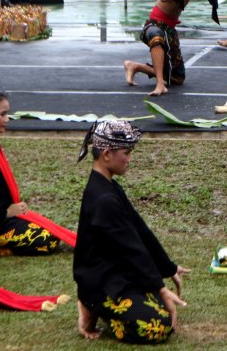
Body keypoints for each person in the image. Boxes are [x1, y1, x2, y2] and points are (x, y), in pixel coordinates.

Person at [74, 120, 189, 344]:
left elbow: (138, 230)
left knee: (158, 308)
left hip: (118, 274)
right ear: (107, 153)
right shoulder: (104, 199)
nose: (130, 159)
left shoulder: (109, 186)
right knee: (157, 327)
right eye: (126, 153)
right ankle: (89, 304)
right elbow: (131, 249)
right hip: (102, 283)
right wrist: (160, 287)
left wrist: (167, 267)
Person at [0, 82, 74, 257]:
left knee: (52, 233)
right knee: (47, 241)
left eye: (7, 114)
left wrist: (13, 207)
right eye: (2, 114)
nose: (7, 119)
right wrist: (7, 212)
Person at [124, 0, 192, 96]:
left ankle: (135, 66)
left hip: (170, 30)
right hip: (154, 25)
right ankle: (160, 84)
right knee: (157, 37)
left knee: (178, 78)